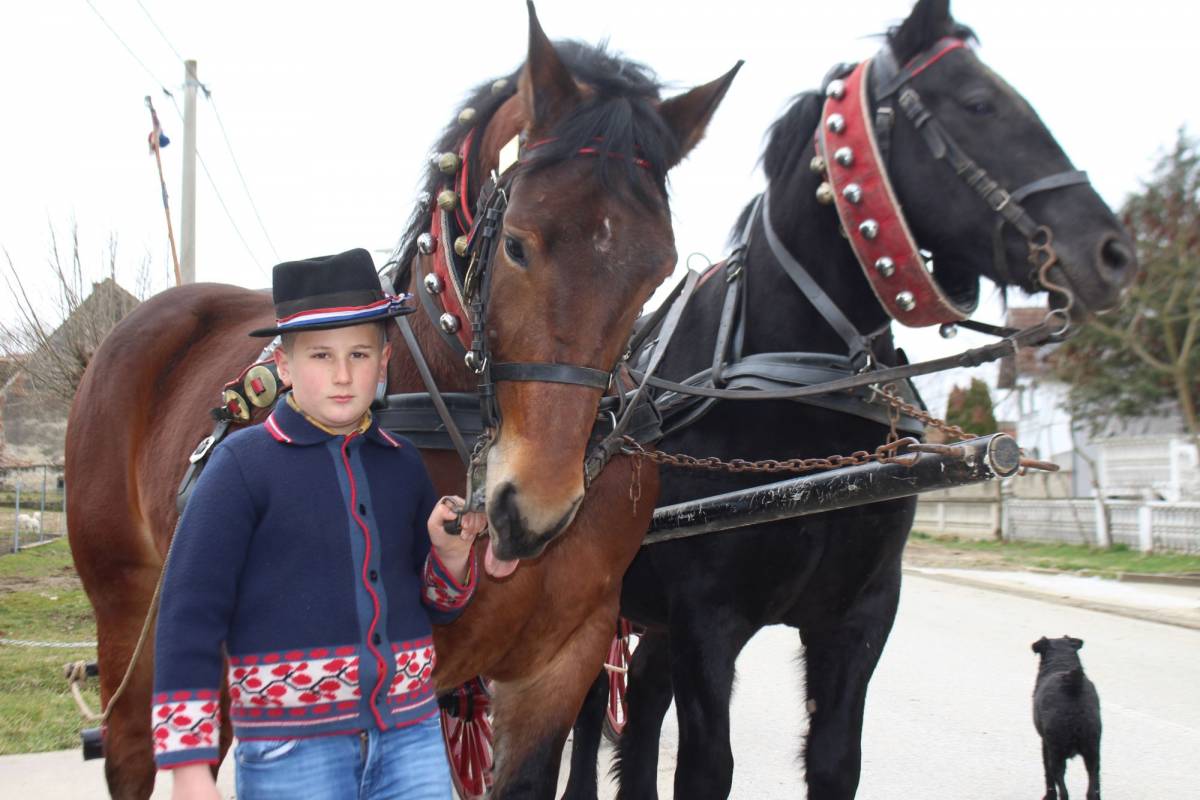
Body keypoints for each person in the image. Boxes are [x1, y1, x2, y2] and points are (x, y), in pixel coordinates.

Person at [152, 248, 486, 799]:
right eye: (319, 356)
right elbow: (189, 616)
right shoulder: (240, 469)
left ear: (384, 362)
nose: (341, 374)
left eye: (359, 353)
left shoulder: (402, 465)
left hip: (411, 737)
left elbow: (438, 605)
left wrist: (449, 558)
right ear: (283, 366)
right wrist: (189, 765)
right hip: (292, 752)